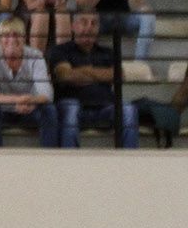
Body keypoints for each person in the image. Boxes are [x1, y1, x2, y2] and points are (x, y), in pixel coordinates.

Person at [48, 11, 140, 150]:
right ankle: (69, 162)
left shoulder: (108, 52)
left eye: (94, 23)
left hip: (105, 108)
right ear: (73, 26)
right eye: (84, 22)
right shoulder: (60, 51)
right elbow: (65, 75)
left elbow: (119, 76)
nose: (89, 27)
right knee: (71, 108)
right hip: (73, 106)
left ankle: (129, 161)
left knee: (129, 109)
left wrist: (84, 71)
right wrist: (100, 74)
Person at [0, 18, 57, 148]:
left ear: (24, 38)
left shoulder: (36, 56)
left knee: (49, 109)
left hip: (30, 110)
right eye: (6, 35)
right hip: (2, 111)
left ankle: (49, 160)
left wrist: (32, 101)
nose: (11, 39)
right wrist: (18, 99)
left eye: (16, 35)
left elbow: (47, 94)